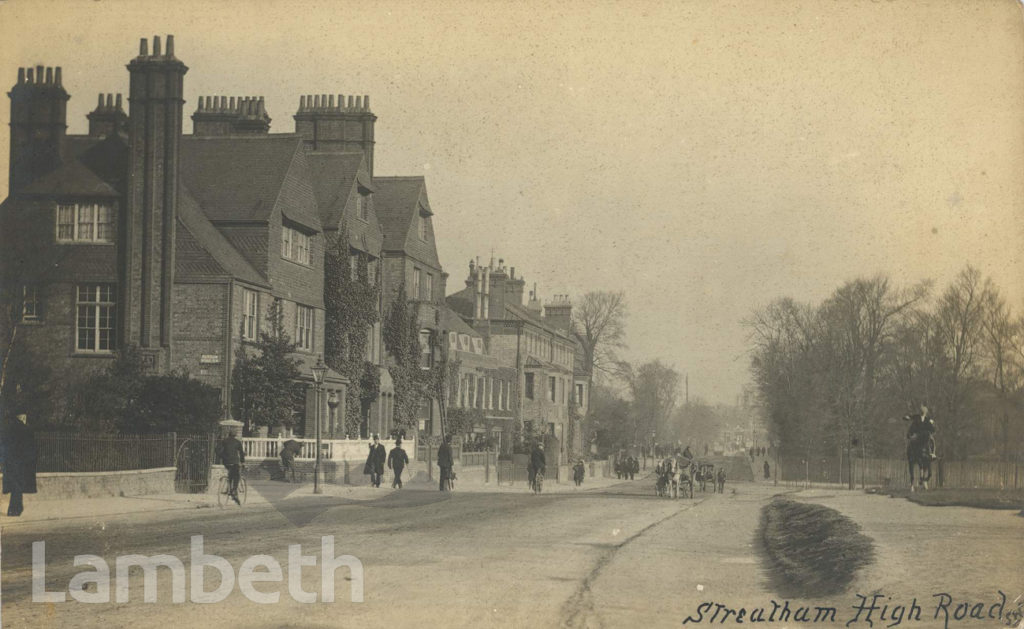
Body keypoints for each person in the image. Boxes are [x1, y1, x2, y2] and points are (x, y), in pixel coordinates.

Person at [2, 413, 37, 517]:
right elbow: (32, 448)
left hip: (10, 462)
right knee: (18, 486)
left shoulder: (8, 429)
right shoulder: (26, 429)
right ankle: (15, 509)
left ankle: (15, 508)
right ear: (23, 418)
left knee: (15, 486)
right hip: (22, 463)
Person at [215, 430, 245, 505]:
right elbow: (241, 453)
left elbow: (216, 449)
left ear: (229, 434)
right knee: (237, 475)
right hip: (234, 462)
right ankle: (234, 490)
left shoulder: (224, 441)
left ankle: (228, 489)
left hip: (226, 461)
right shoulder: (238, 442)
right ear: (235, 435)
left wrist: (222, 456)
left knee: (231, 473)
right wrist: (242, 462)